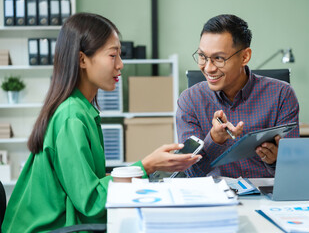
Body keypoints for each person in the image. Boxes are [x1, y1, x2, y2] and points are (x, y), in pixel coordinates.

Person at [2, 13, 201, 232]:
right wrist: (146, 166)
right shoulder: (71, 117)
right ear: (82, 59)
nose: (121, 65)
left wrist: (145, 169)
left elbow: (89, 181)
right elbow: (91, 201)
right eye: (113, 55)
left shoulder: (80, 110)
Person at [176, 14, 299, 178]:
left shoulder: (282, 95)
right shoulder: (190, 100)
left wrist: (275, 161)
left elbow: (294, 169)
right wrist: (214, 139)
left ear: (244, 57)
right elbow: (190, 172)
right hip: (216, 197)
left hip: (265, 197)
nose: (208, 68)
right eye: (202, 57)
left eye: (218, 58)